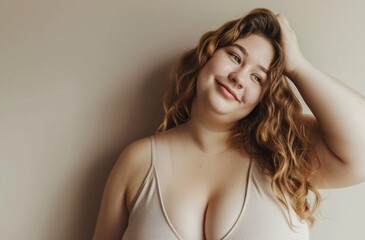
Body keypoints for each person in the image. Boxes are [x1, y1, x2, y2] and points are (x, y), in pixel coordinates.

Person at [92, 8, 365, 240]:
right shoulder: (137, 161)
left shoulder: (284, 151)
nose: (239, 77)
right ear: (207, 56)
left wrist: (297, 66)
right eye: (235, 57)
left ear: (263, 98)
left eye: (258, 77)